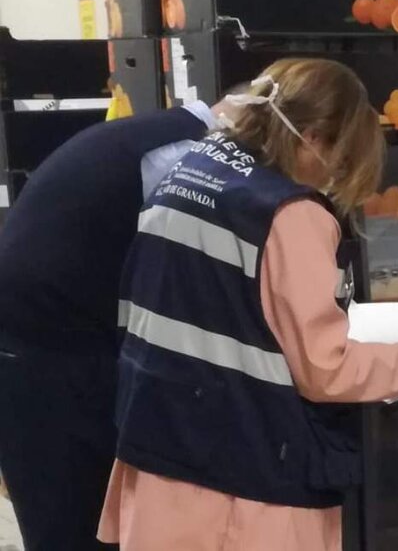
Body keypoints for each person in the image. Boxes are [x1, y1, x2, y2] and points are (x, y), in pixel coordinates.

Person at [97, 58, 398, 551]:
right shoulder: (290, 215)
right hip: (244, 482)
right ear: (315, 139)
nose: (335, 178)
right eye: (343, 161)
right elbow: (326, 371)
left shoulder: (191, 169)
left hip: (158, 451)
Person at [0, 91, 230, 550]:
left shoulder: (143, 135)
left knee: (66, 520)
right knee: (76, 523)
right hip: (50, 354)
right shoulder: (180, 157)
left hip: (38, 340)